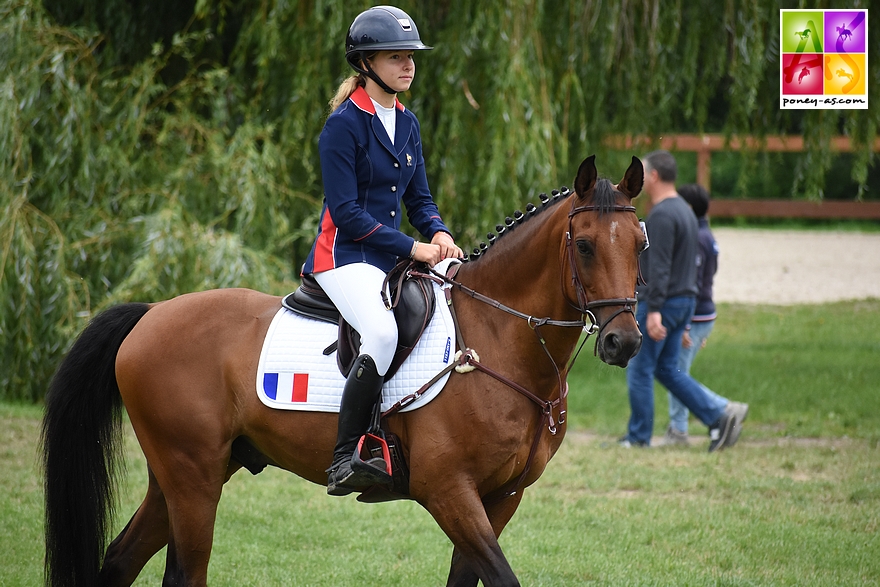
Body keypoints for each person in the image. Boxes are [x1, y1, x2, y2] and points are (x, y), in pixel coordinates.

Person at [301, 6, 463, 495]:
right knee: (381, 332)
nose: (409, 66)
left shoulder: (407, 123)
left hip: (388, 257)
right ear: (367, 63)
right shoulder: (343, 126)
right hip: (343, 257)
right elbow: (347, 213)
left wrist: (437, 232)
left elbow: (419, 198)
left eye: (411, 57)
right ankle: (344, 455)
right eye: (396, 57)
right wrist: (412, 247)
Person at [619, 150, 746, 452]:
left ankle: (637, 438)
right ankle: (720, 415)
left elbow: (660, 267)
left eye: (644, 174)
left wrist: (654, 311)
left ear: (653, 176)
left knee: (640, 368)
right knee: (668, 370)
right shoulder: (687, 213)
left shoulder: (662, 214)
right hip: (684, 301)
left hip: (663, 303)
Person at [662, 184, 749, 446]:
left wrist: (686, 326)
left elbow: (695, 282)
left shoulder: (696, 238)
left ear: (688, 208)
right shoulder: (706, 234)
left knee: (676, 373)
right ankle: (685, 426)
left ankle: (713, 415)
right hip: (703, 316)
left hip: (695, 316)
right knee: (677, 372)